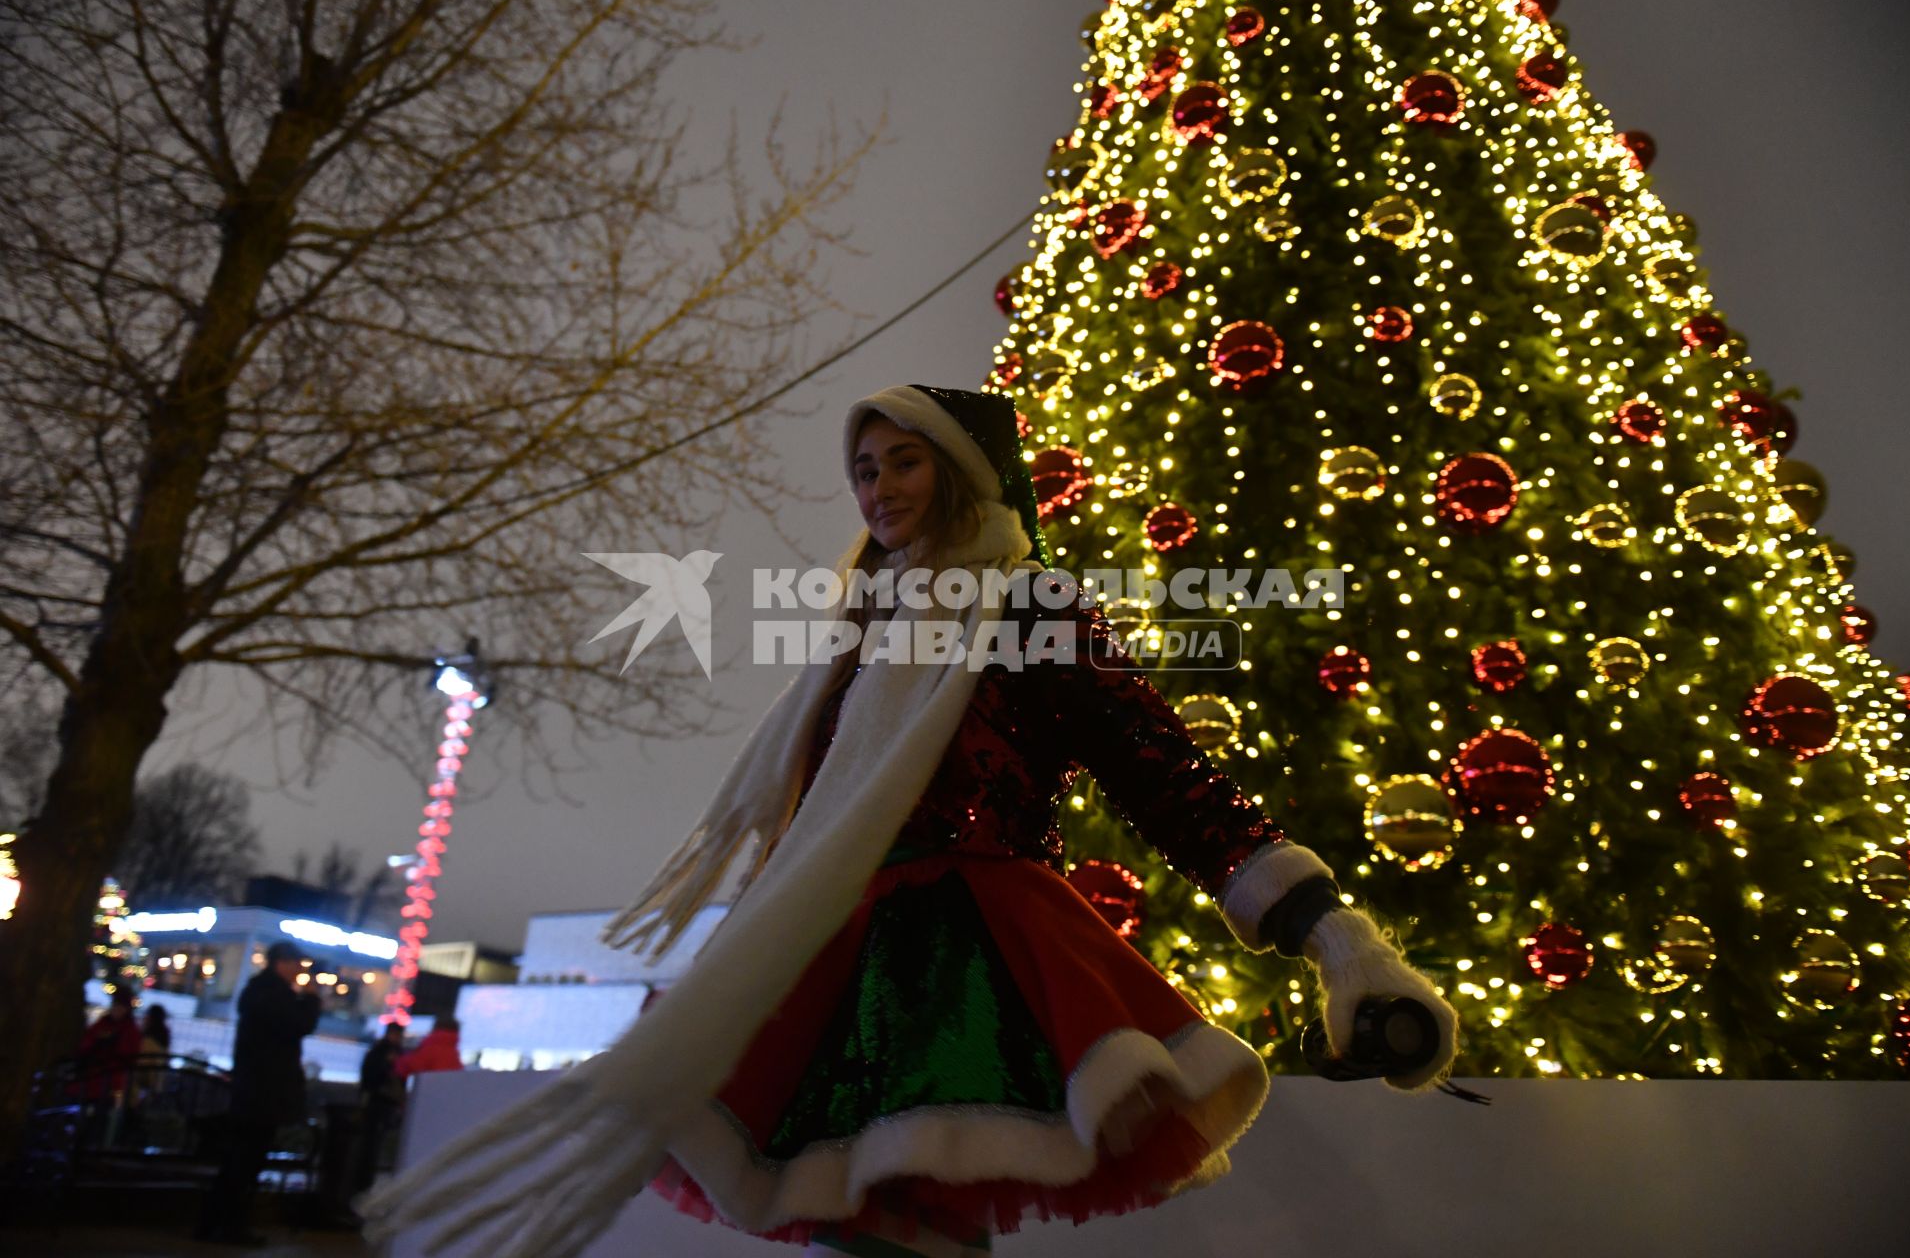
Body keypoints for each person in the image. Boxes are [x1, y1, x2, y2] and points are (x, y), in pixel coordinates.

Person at [361, 386, 1457, 1258]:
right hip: (834, 940)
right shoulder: (856, 633)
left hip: (975, 949)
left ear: (963, 471)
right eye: (865, 467)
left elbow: (1161, 771)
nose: (878, 486)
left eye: (904, 459)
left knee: (916, 1223)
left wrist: (1332, 933)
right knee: (870, 1224)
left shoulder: (1032, 607)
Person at [196, 940, 321, 1247]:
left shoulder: (260, 992)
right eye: (296, 965)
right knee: (246, 1160)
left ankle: (214, 1223)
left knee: (240, 1160)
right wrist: (311, 1001)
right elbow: (298, 1025)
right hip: (263, 1091)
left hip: (254, 1088)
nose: (299, 972)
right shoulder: (274, 995)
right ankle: (230, 1226)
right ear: (282, 963)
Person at [353, 1023, 409, 1196]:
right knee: (373, 1144)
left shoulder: (377, 1052)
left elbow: (368, 1078)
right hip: (385, 1103)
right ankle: (364, 1181)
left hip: (377, 1102)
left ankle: (361, 1180)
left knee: (369, 1143)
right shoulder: (395, 1054)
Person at [75, 985, 143, 1106]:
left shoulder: (129, 1030)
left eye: (120, 1007)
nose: (116, 1010)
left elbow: (128, 1054)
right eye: (115, 1006)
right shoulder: (103, 1024)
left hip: (110, 1077)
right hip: (94, 1073)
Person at [394, 1016, 464, 1080]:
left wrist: (397, 1060)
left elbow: (410, 1067)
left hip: (426, 1090)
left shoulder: (432, 1046)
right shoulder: (453, 1051)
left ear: (436, 1027)